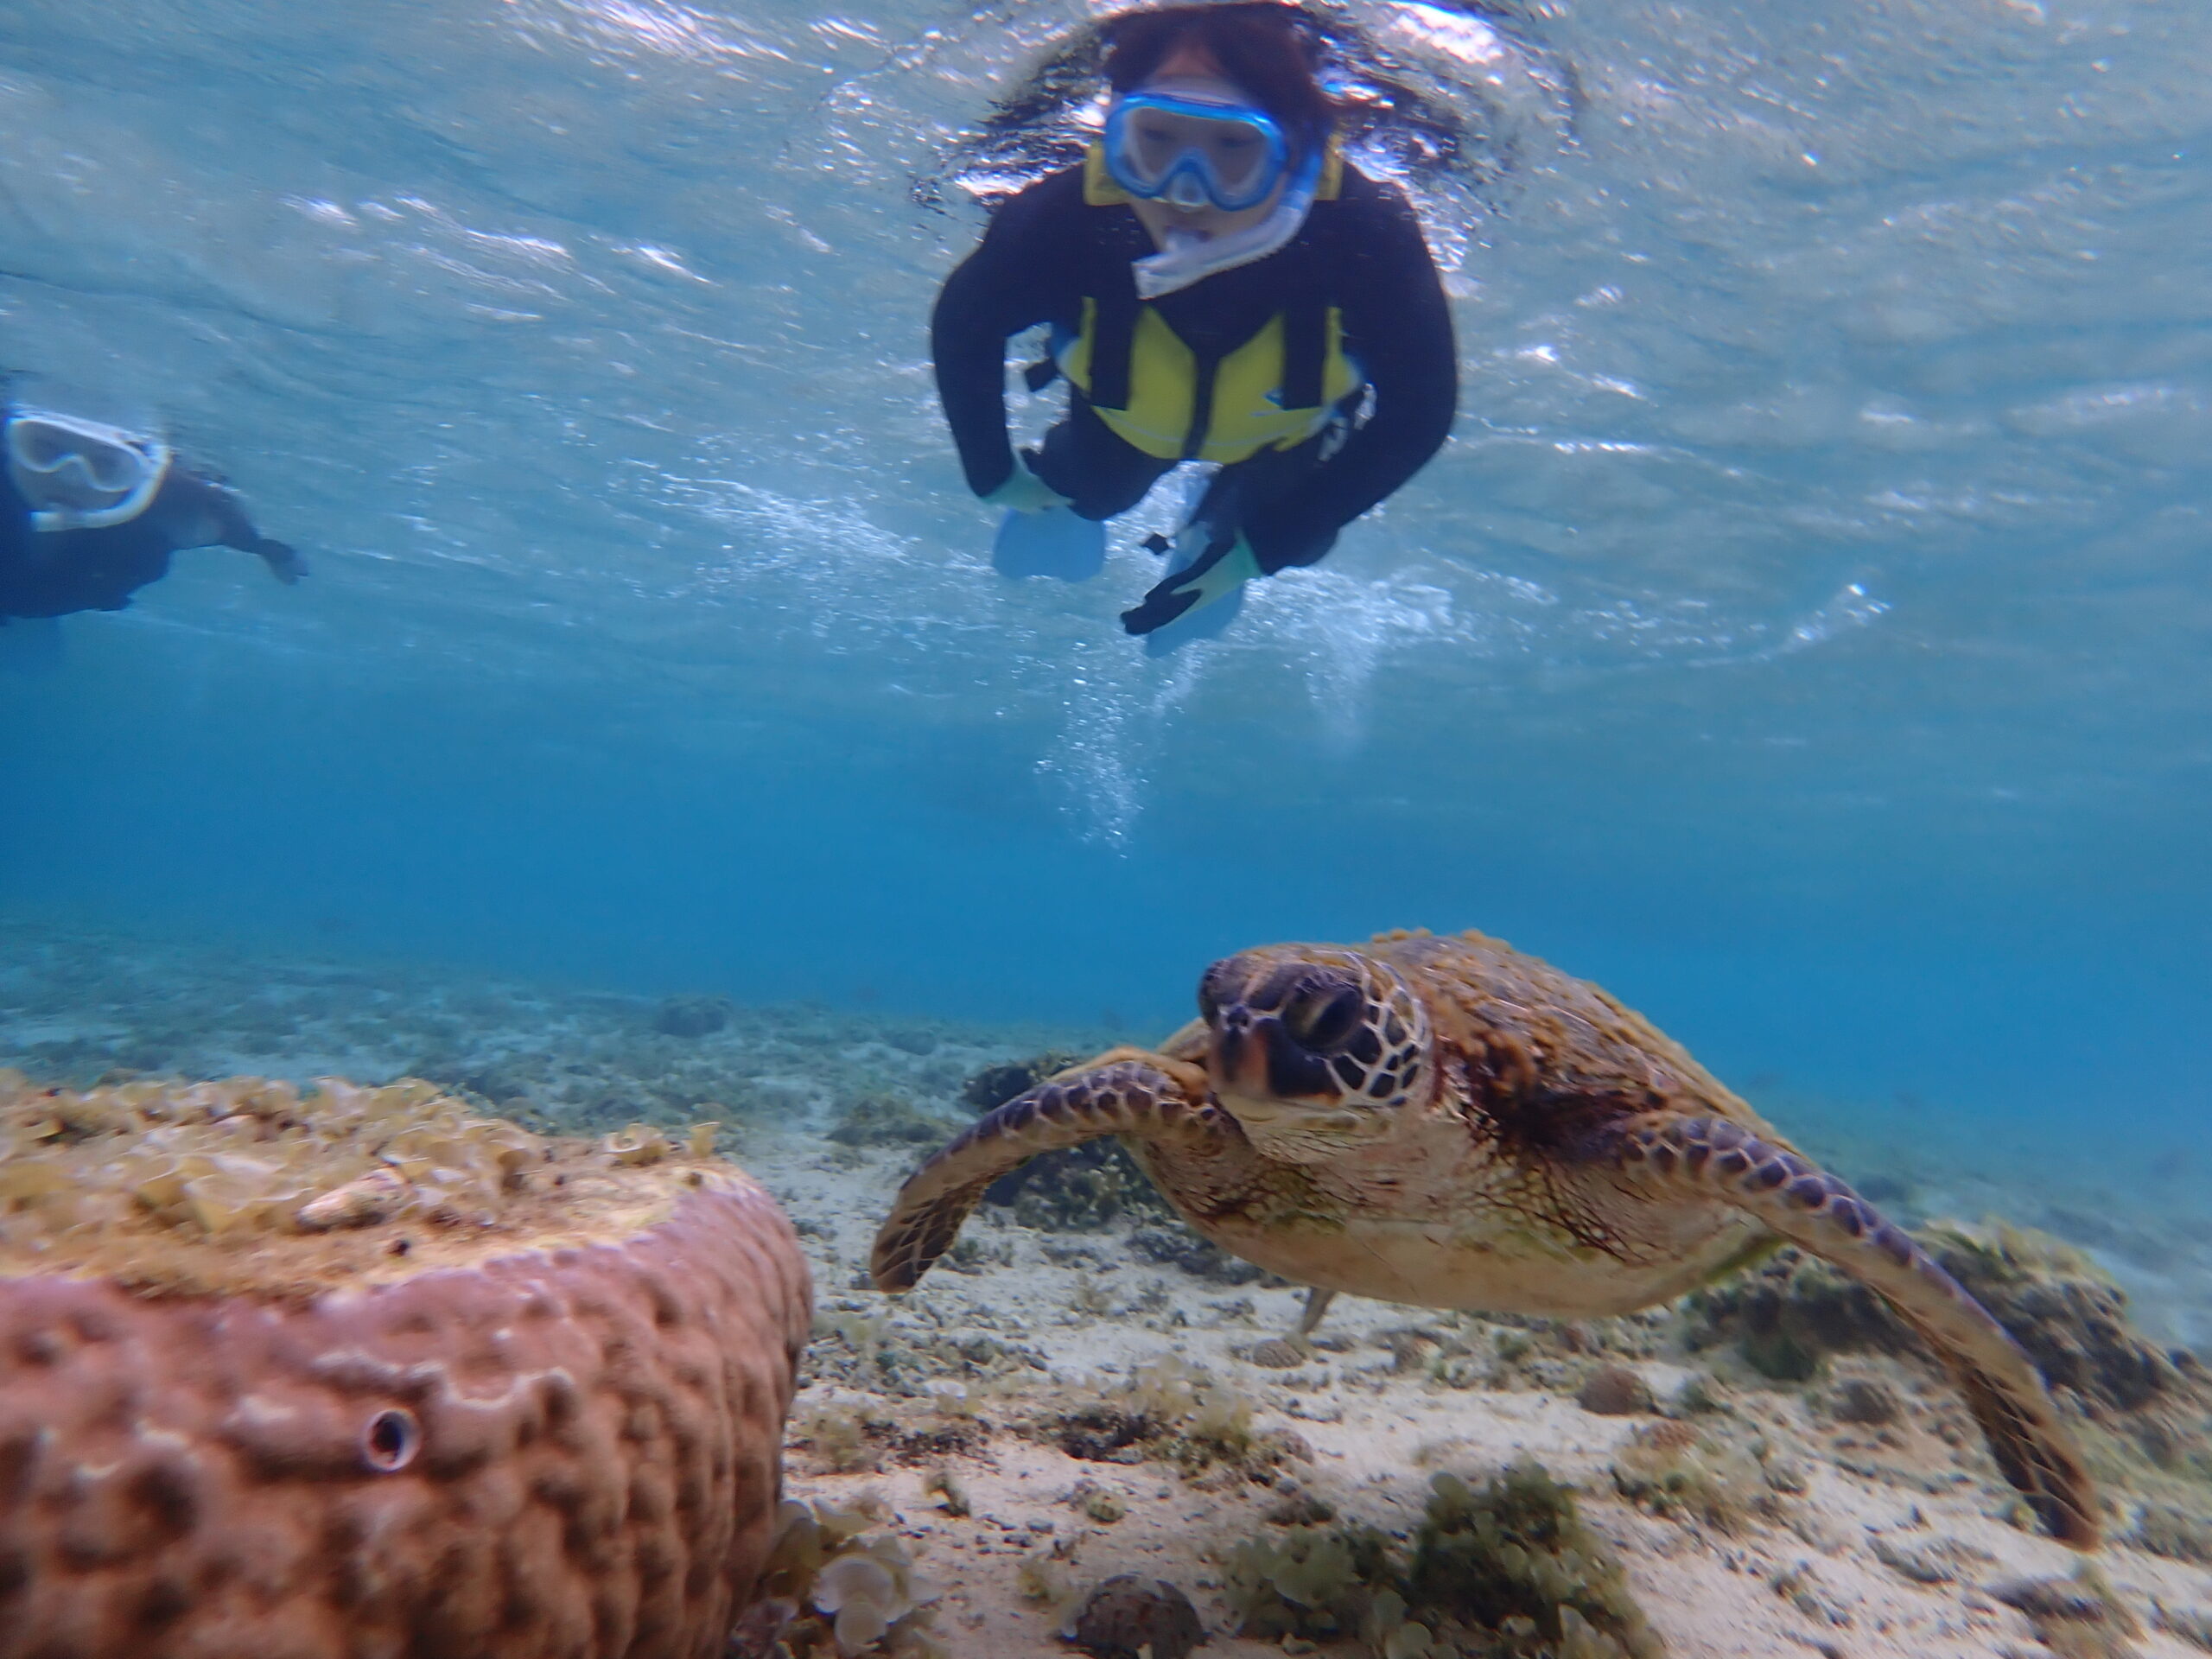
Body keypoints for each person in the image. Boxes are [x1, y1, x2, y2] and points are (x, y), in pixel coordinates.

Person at [931, 1, 1456, 641]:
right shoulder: (1066, 222)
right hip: (1122, 421)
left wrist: (1257, 553)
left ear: (1296, 152)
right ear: (1117, 138)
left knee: (1297, 535)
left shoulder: (1363, 235)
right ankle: (1072, 506)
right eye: (1155, 140)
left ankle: (1216, 531)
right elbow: (964, 325)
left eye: (1234, 146)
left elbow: (1419, 416)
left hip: (1285, 434)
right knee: (1094, 490)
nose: (1185, 191)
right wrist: (994, 476)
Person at [0, 401, 304, 621]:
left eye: (106, 466)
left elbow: (228, 524)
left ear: (137, 475)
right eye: (42, 448)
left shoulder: (172, 504)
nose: (70, 477)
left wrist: (269, 550)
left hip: (53, 596)